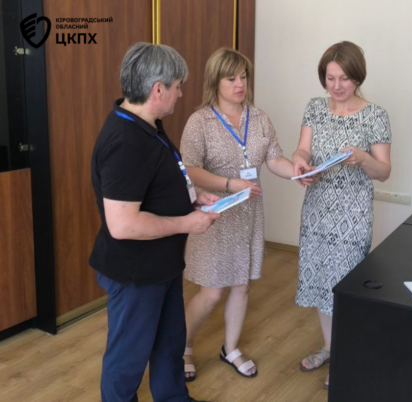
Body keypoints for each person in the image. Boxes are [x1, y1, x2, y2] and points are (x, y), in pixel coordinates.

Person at [89, 42, 221, 402]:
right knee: (127, 360)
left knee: (169, 345)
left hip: (161, 266)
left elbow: (155, 184)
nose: (181, 93)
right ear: (157, 89)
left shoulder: (148, 126)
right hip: (136, 273)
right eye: (178, 86)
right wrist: (187, 223)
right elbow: (123, 225)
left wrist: (192, 197)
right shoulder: (125, 142)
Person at [180, 48, 296, 381]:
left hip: (248, 214)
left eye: (243, 76)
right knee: (212, 291)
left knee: (241, 286)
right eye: (231, 78)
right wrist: (229, 184)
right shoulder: (200, 121)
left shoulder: (259, 118)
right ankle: (183, 348)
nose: (240, 84)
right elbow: (190, 169)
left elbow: (274, 159)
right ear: (215, 81)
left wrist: (298, 172)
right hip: (214, 216)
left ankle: (230, 348)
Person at [292, 41, 392, 389]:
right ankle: (329, 347)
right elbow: (303, 149)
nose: (336, 86)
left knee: (344, 285)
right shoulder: (315, 108)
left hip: (353, 214)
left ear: (358, 77)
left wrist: (362, 158)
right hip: (317, 210)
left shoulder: (375, 115)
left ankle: (346, 355)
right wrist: (300, 162)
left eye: (344, 79)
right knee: (322, 281)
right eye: (330, 78)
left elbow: (384, 172)